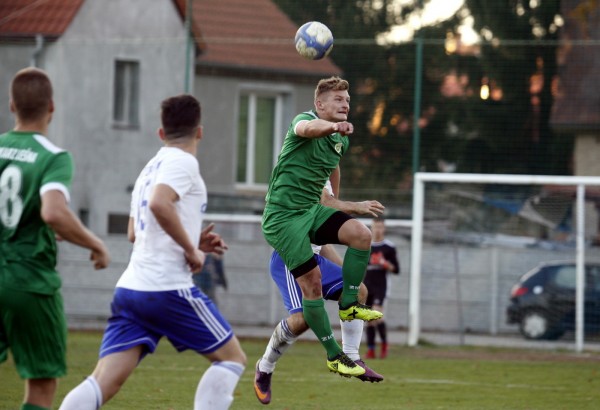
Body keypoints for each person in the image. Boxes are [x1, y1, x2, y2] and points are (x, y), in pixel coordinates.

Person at [59, 95, 246, 410]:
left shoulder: (149, 169)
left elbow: (135, 233)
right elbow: (160, 204)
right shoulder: (184, 162)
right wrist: (191, 249)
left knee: (103, 381)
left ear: (161, 133)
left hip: (131, 290)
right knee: (232, 358)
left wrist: (192, 240)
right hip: (166, 288)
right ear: (199, 131)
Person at [0, 67, 110, 410]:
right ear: (51, 107)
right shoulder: (53, 157)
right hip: (28, 281)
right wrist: (95, 243)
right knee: (41, 384)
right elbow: (53, 212)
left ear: (12, 105)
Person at [262, 76, 382, 378]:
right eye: (338, 99)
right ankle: (328, 356)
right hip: (284, 219)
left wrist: (344, 207)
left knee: (361, 234)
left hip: (310, 213)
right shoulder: (305, 121)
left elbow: (329, 190)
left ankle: (351, 329)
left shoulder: (340, 142)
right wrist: (332, 127)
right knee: (308, 302)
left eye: (348, 100)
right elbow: (308, 129)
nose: (345, 104)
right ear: (319, 104)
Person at [255, 185, 386, 404]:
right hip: (290, 258)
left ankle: (352, 357)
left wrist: (346, 272)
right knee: (302, 320)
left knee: (358, 291)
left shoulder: (332, 169)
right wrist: (357, 206)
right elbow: (326, 202)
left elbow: (319, 236)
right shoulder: (309, 169)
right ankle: (265, 366)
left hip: (315, 257)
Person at [364, 217, 400, 359]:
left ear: (384, 228)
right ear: (371, 228)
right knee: (369, 319)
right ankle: (371, 350)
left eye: (380, 227)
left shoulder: (389, 247)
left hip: (381, 286)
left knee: (377, 315)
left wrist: (385, 264)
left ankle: (384, 345)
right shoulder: (365, 245)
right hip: (367, 286)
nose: (377, 230)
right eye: (375, 227)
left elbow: (396, 269)